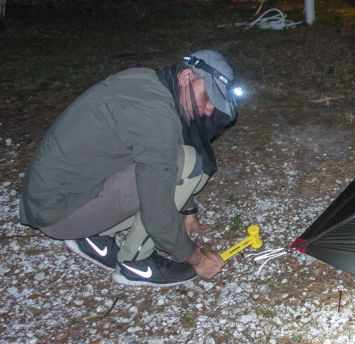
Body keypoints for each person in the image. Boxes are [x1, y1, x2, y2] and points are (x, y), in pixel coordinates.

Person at [19, 49, 244, 287]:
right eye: (208, 97)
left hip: (49, 200)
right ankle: (135, 263)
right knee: (187, 162)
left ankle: (91, 237)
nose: (209, 110)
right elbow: (157, 213)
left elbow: (159, 150)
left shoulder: (148, 82)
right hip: (60, 212)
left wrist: (187, 211)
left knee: (182, 160)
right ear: (187, 77)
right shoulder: (156, 117)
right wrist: (196, 259)